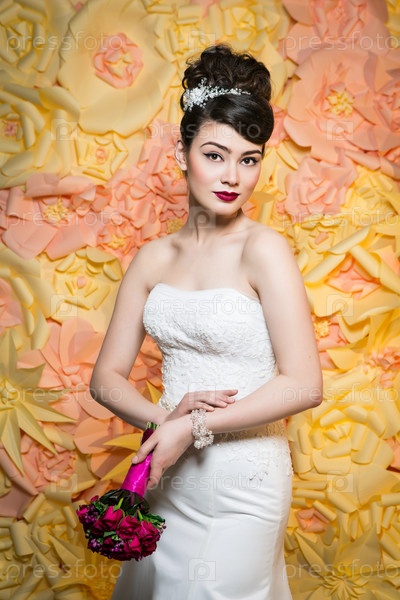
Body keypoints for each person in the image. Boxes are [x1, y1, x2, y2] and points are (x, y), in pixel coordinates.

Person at [90, 43, 322, 599]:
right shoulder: (152, 259)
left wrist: (194, 427)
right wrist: (167, 422)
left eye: (249, 159)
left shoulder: (264, 250)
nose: (233, 176)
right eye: (215, 155)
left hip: (245, 483)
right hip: (169, 476)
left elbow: (304, 384)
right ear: (182, 151)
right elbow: (105, 379)